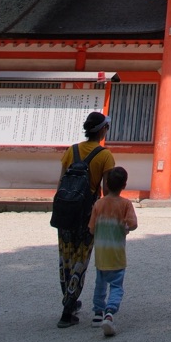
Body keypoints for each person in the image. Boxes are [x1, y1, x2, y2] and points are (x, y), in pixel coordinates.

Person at [55, 110, 115, 328]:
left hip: (65, 209)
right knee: (82, 257)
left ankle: (68, 299)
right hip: (87, 212)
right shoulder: (105, 155)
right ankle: (68, 308)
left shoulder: (71, 151)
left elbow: (61, 180)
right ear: (101, 131)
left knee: (66, 257)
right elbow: (107, 189)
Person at [88, 166, 138, 337]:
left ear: (106, 184)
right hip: (116, 253)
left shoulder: (98, 204)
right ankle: (110, 313)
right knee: (116, 285)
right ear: (124, 185)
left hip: (101, 253)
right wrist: (125, 227)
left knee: (100, 284)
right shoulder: (125, 204)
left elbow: (92, 228)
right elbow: (133, 224)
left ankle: (97, 313)